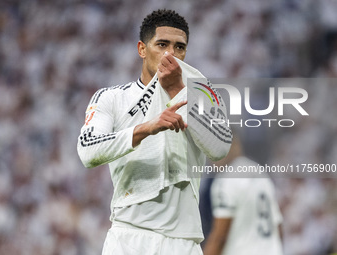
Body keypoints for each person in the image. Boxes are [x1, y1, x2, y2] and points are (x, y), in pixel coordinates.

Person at [77, 9, 232, 255]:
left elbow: (220, 148)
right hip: (130, 237)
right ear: (142, 49)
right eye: (162, 44)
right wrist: (147, 128)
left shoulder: (200, 96)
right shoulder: (112, 98)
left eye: (180, 47)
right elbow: (88, 150)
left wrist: (178, 90)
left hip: (184, 241)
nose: (171, 54)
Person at [203, 133, 283, 255]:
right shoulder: (260, 172)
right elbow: (278, 227)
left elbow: (220, 237)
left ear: (234, 145)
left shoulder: (226, 178)